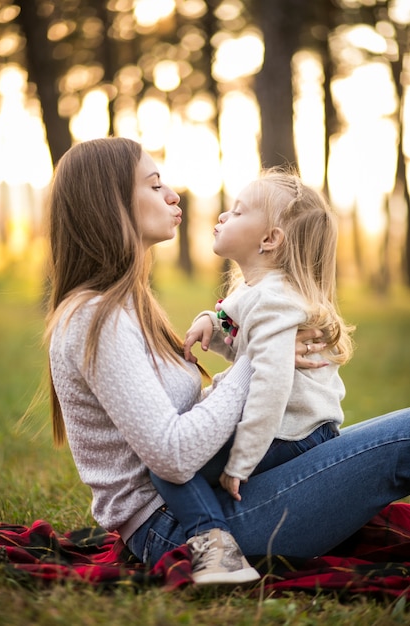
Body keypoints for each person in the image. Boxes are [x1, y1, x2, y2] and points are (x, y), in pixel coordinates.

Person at [46, 137, 410, 589]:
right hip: (186, 531)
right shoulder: (93, 319)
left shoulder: (126, 307)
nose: (173, 194)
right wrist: (259, 361)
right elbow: (173, 457)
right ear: (109, 202)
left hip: (213, 497)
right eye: (155, 185)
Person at [149, 168, 354, 582]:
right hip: (292, 427)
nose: (223, 216)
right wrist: (215, 322)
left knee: (167, 465)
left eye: (238, 212)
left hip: (292, 432)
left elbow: (270, 387)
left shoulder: (273, 299)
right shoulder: (256, 290)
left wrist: (241, 461)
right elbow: (250, 350)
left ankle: (213, 543)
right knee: (175, 458)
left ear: (270, 240)